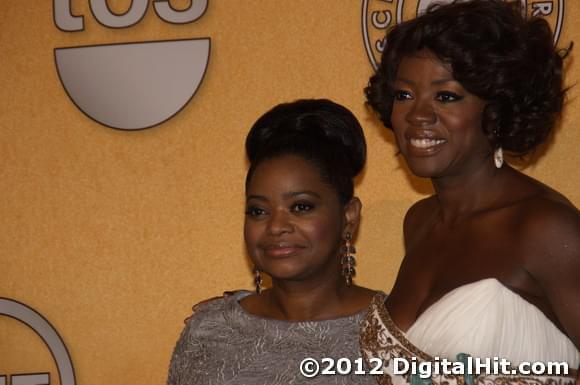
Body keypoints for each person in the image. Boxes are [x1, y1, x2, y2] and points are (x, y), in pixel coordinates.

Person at [360, 1, 579, 384]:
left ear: (497, 110)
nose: (417, 116)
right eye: (404, 95)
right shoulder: (419, 222)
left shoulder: (544, 228)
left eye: (446, 97)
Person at [167, 99, 380, 385]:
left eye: (301, 207)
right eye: (258, 211)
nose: (276, 226)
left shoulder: (396, 330)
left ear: (349, 216)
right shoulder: (209, 332)